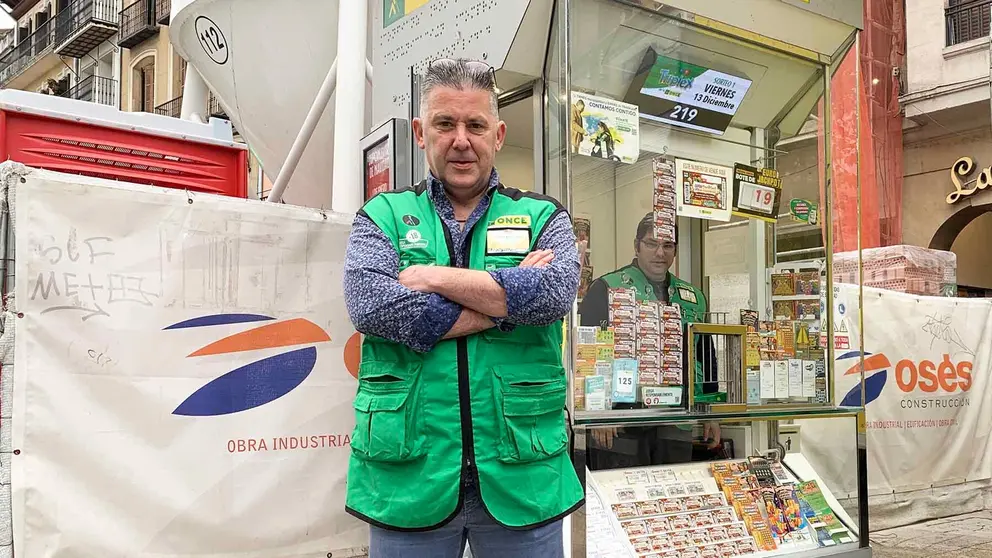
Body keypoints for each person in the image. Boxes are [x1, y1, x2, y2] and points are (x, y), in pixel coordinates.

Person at [343, 58, 583, 558]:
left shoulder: (544, 215)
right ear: (419, 132)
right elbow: (372, 306)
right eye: (444, 123)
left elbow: (555, 293)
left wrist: (432, 278)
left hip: (522, 471)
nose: (460, 139)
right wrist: (508, 304)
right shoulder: (381, 216)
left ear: (497, 134)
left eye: (474, 125)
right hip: (409, 475)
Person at [578, 213, 720, 468]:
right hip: (621, 420)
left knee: (672, 492)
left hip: (676, 419)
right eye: (651, 244)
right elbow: (588, 354)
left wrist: (709, 411)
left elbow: (705, 356)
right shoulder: (606, 288)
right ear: (636, 246)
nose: (660, 253)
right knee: (622, 496)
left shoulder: (693, 297)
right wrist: (598, 413)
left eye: (668, 245)